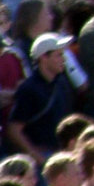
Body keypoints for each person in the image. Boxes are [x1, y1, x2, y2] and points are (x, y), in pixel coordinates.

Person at [7, 34, 75, 169]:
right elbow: (14, 129)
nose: (64, 59)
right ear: (44, 57)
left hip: (61, 156)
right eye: (58, 55)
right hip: (41, 158)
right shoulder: (29, 89)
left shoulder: (62, 83)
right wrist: (36, 155)